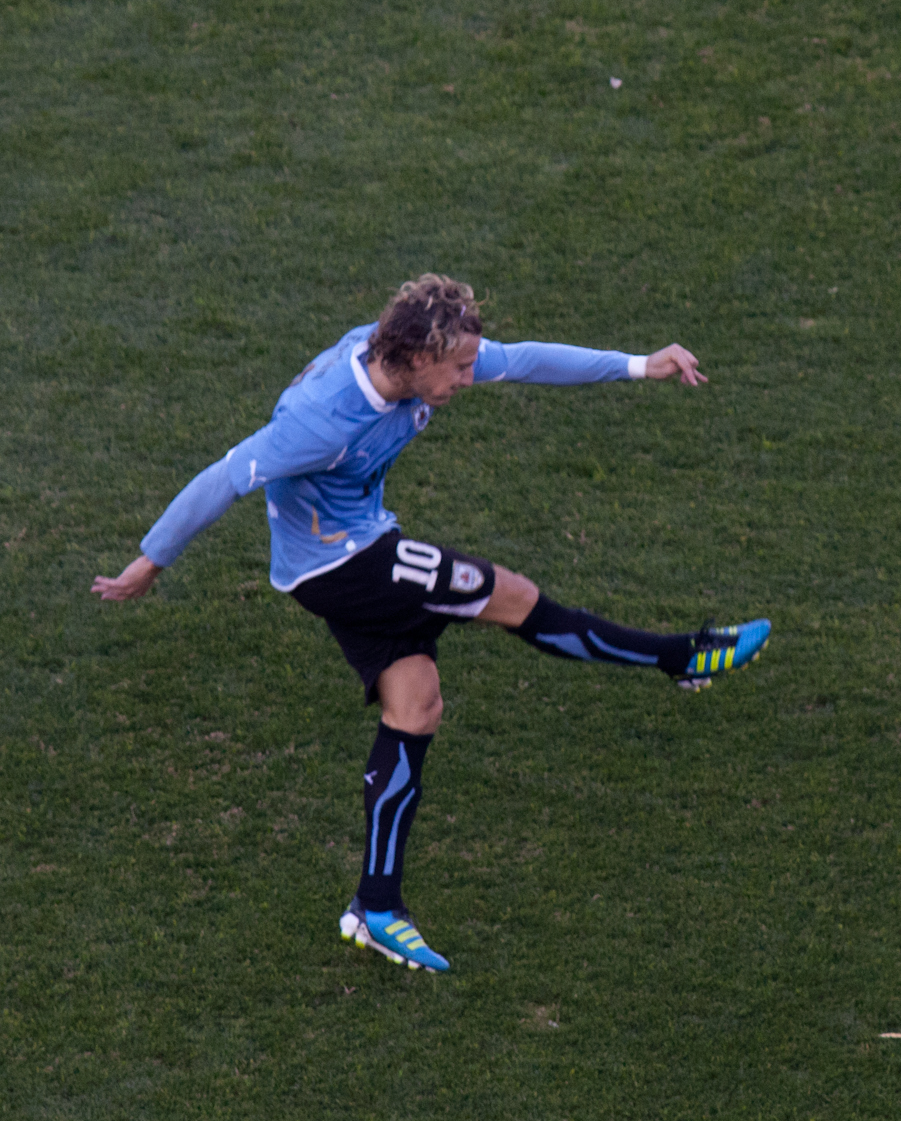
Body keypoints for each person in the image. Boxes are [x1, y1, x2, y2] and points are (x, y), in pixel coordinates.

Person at [91, 275, 771, 973]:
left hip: (357, 544)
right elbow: (225, 476)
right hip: (339, 564)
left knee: (416, 708)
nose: (471, 380)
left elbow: (528, 359)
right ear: (417, 358)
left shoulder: (409, 360)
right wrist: (151, 561)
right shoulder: (323, 417)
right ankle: (678, 658)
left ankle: (375, 909)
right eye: (460, 368)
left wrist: (640, 363)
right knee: (505, 593)